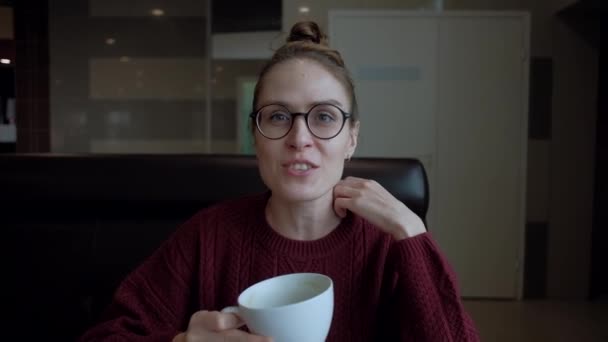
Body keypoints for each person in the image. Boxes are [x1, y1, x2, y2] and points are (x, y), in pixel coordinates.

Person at [79, 21, 479, 342]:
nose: (300, 138)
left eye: (324, 116)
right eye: (278, 116)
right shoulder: (208, 236)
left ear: (351, 138)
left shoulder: (390, 247)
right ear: (255, 136)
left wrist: (412, 232)